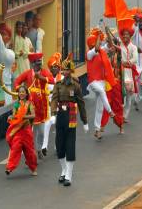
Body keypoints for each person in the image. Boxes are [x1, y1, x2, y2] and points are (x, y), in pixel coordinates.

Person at [50, 54, 89, 187]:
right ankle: (64, 170)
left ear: (71, 71)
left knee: (70, 145)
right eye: (63, 70)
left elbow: (81, 103)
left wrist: (85, 121)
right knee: (59, 145)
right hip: (60, 115)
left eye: (66, 70)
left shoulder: (76, 85)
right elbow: (54, 99)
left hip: (71, 116)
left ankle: (69, 175)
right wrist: (53, 113)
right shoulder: (58, 85)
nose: (64, 72)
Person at [12, 52, 53, 154]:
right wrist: (20, 90)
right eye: (37, 62)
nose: (39, 64)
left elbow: (52, 80)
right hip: (29, 107)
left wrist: (41, 78)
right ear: (32, 64)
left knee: (42, 132)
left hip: (41, 108)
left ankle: (39, 149)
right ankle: (28, 152)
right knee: (28, 132)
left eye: (40, 62)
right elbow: (17, 81)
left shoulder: (44, 72)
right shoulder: (28, 73)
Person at [2, 84, 38, 176]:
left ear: (26, 94)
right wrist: (11, 117)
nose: (21, 93)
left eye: (23, 92)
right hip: (18, 130)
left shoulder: (29, 104)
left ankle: (33, 168)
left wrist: (24, 116)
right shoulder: (16, 104)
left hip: (27, 131)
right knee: (15, 148)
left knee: (30, 151)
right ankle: (9, 168)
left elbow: (33, 115)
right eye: (20, 92)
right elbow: (14, 116)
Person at [86, 30, 116, 139]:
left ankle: (97, 130)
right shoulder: (89, 54)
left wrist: (108, 35)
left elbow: (110, 46)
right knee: (102, 92)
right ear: (91, 45)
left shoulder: (101, 52)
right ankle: (110, 111)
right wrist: (99, 36)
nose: (97, 45)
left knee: (99, 107)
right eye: (94, 43)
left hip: (102, 82)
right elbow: (98, 48)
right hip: (93, 82)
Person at [41, 52, 63, 156]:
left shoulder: (62, 78)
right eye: (52, 67)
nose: (54, 69)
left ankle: (57, 145)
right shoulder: (46, 79)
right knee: (47, 124)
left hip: (60, 106)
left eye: (56, 66)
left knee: (58, 126)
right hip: (49, 106)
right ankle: (44, 146)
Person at [118, 19, 139, 122]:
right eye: (124, 34)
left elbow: (135, 58)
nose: (125, 36)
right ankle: (120, 114)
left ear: (130, 36)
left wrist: (128, 62)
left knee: (129, 96)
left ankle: (125, 116)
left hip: (129, 73)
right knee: (122, 94)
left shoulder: (133, 47)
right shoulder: (119, 45)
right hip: (121, 72)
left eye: (127, 34)